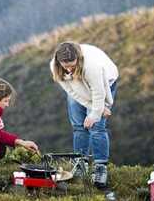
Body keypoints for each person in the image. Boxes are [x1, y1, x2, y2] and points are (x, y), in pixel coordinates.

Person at [50, 41, 119, 189]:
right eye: (65, 66)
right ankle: (80, 162)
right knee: (78, 125)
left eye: (72, 65)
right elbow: (72, 92)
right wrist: (92, 108)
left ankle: (100, 167)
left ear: (78, 59)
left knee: (96, 127)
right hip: (77, 85)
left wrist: (96, 112)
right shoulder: (55, 66)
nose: (68, 69)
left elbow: (99, 93)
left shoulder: (91, 66)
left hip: (104, 83)